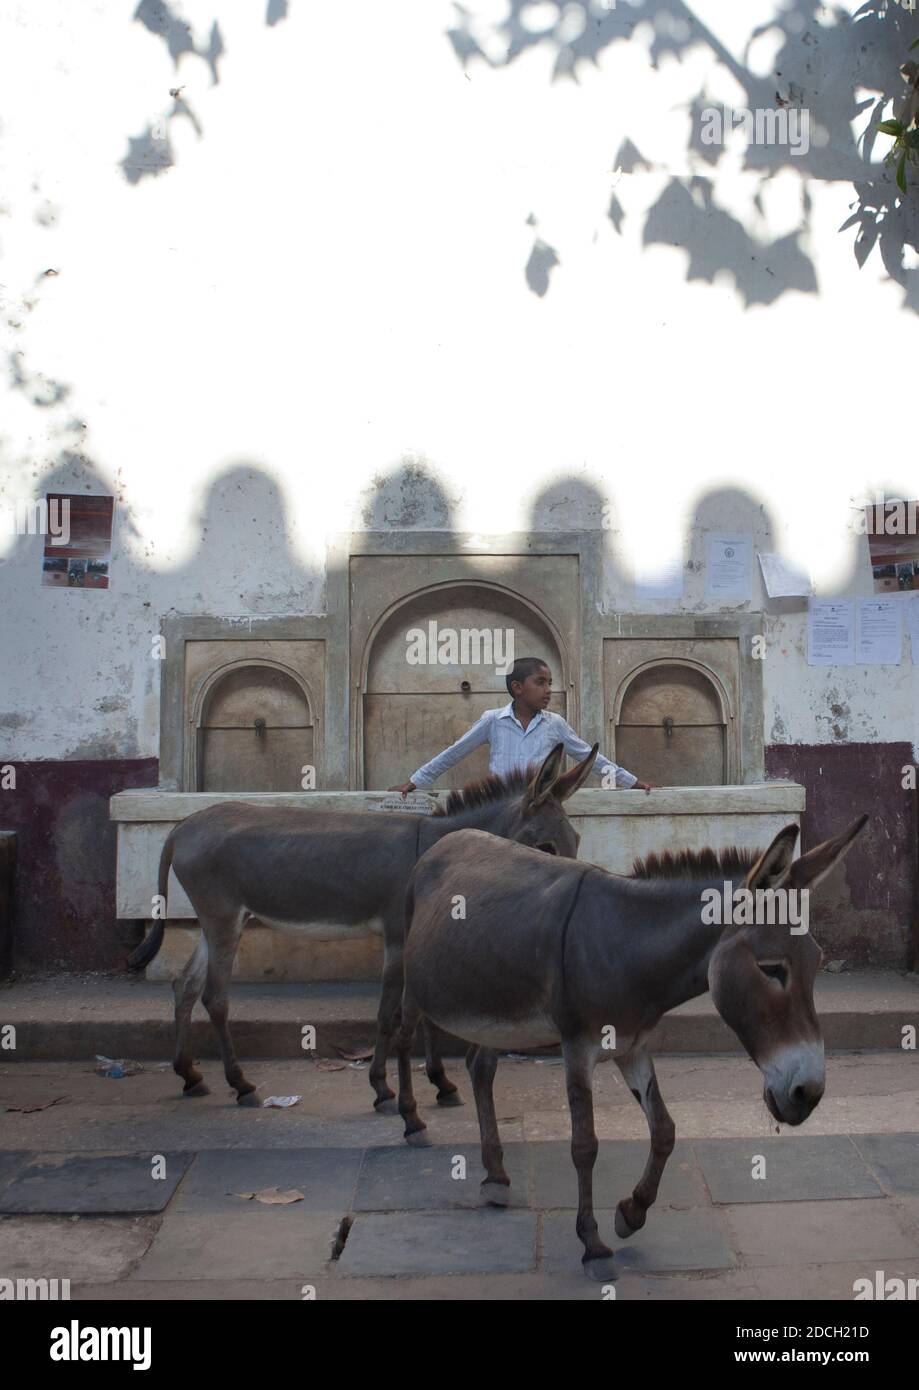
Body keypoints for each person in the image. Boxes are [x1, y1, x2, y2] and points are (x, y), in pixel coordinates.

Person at [388, 656, 653, 795]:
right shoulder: (493, 720)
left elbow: (590, 759)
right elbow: (455, 752)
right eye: (540, 682)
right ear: (517, 688)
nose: (548, 690)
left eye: (549, 683)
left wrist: (632, 782)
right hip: (501, 805)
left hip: (540, 806)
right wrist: (415, 782)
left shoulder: (555, 724)